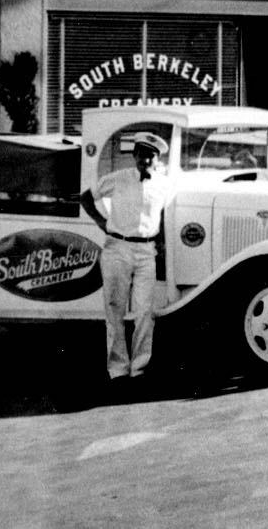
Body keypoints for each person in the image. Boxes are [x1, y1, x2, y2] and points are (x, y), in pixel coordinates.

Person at [79, 131, 174, 384]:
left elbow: (163, 216)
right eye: (141, 154)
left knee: (145, 311)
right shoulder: (118, 178)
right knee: (115, 309)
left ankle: (140, 367)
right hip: (117, 248)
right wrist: (102, 222)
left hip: (146, 252)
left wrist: (162, 242)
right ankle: (118, 369)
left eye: (150, 156)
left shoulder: (164, 185)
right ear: (134, 155)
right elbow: (87, 197)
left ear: (157, 159)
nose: (145, 159)